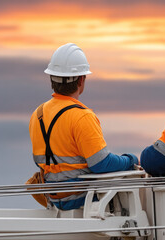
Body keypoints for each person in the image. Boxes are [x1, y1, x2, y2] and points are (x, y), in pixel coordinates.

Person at [29, 43, 138, 210]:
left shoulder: (37, 115)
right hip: (82, 199)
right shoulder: (82, 116)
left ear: (52, 78)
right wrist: (130, 160)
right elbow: (101, 163)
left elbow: (41, 163)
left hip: (53, 197)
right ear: (81, 80)